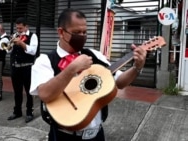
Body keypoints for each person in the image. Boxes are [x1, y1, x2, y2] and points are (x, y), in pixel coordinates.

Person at [29, 8, 147, 141]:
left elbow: (120, 82)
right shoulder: (45, 60)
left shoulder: (93, 55)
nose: (82, 36)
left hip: (97, 135)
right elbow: (45, 94)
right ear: (61, 32)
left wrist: (137, 67)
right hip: (64, 136)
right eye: (76, 32)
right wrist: (72, 69)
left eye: (84, 32)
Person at [7, 17, 38, 123]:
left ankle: (30, 112)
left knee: (29, 91)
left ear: (26, 27)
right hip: (15, 67)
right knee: (17, 91)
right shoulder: (15, 35)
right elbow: (8, 51)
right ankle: (17, 111)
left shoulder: (33, 36)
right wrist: (9, 45)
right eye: (17, 28)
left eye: (20, 28)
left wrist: (20, 43)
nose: (18, 30)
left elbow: (33, 51)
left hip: (27, 67)